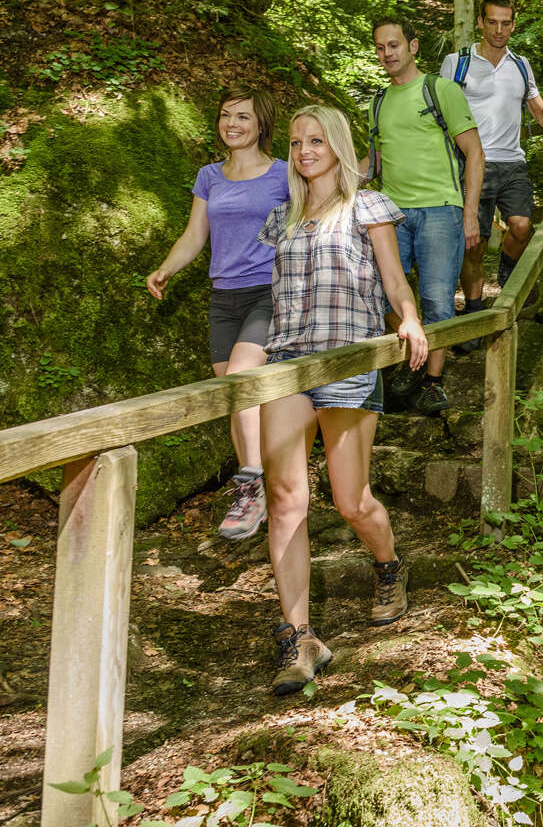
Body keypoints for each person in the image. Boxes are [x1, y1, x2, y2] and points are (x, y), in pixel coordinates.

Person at [257, 104, 429, 695]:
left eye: (317, 140)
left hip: (348, 359)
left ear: (338, 144)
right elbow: (270, 298)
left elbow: (393, 277)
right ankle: (298, 635)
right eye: (297, 142)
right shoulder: (281, 218)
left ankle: (388, 568)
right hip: (286, 365)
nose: (305, 150)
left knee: (351, 501)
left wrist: (410, 320)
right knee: (284, 500)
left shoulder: (367, 206)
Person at [146, 89, 289, 541]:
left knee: (242, 381)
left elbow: (318, 213)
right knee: (235, 396)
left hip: (269, 291)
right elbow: (195, 234)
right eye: (226, 115)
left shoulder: (285, 174)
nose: (232, 123)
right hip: (223, 298)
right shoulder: (209, 176)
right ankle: (261, 486)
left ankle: (250, 483)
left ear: (261, 124)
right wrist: (166, 267)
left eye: (243, 116)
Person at [442, 0, 543, 333]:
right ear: (480, 22)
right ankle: (474, 311)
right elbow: (442, 116)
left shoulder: (521, 65)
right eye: (492, 22)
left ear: (513, 25)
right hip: (472, 163)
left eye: (505, 23)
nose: (498, 30)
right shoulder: (458, 63)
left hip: (512, 162)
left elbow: (540, 113)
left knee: (523, 226)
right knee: (475, 246)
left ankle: (509, 274)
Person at [361, 14, 485, 415]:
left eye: (394, 45)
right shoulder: (378, 103)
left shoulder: (440, 90)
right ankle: (407, 362)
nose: (387, 54)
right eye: (380, 47)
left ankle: (433, 382)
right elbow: (373, 164)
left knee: (436, 300)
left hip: (440, 210)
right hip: (391, 213)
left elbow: (475, 153)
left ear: (412, 46)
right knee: (385, 295)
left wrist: (469, 214)